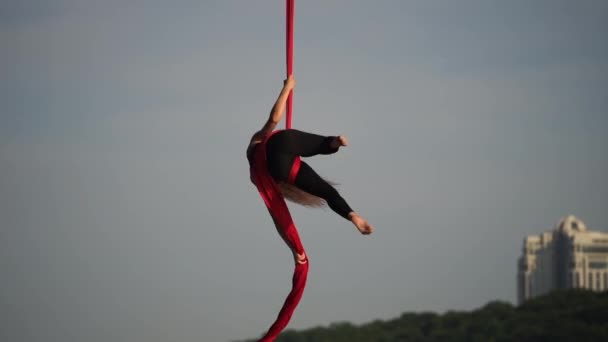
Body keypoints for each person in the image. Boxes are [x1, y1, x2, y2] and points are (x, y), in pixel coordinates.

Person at [247, 75, 374, 240]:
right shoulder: (256, 145)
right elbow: (274, 119)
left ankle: (352, 215)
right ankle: (333, 143)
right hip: (281, 142)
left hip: (282, 169)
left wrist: (296, 253)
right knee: (325, 176)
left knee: (327, 193)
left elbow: (277, 218)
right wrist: (287, 87)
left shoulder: (260, 175)